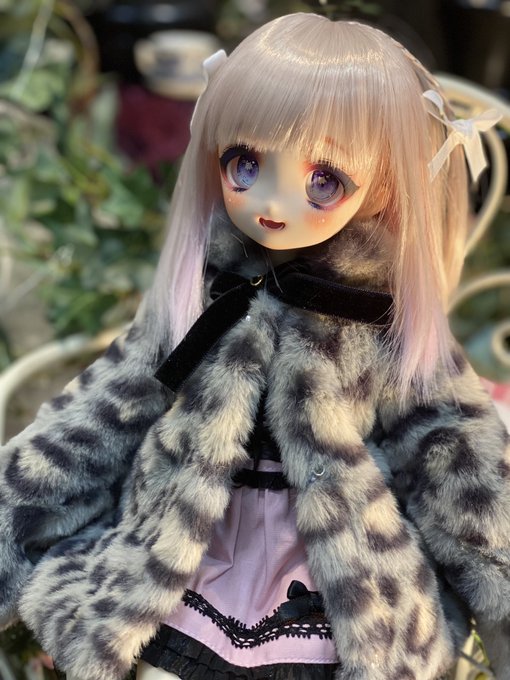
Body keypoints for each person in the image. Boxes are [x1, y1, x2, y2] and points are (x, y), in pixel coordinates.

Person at [1, 12, 509, 680]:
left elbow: (460, 465)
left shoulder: (384, 322)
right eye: (244, 164)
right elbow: (97, 415)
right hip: (181, 554)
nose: (270, 202)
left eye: (324, 180)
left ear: (387, 183)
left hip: (333, 578)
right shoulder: (202, 297)